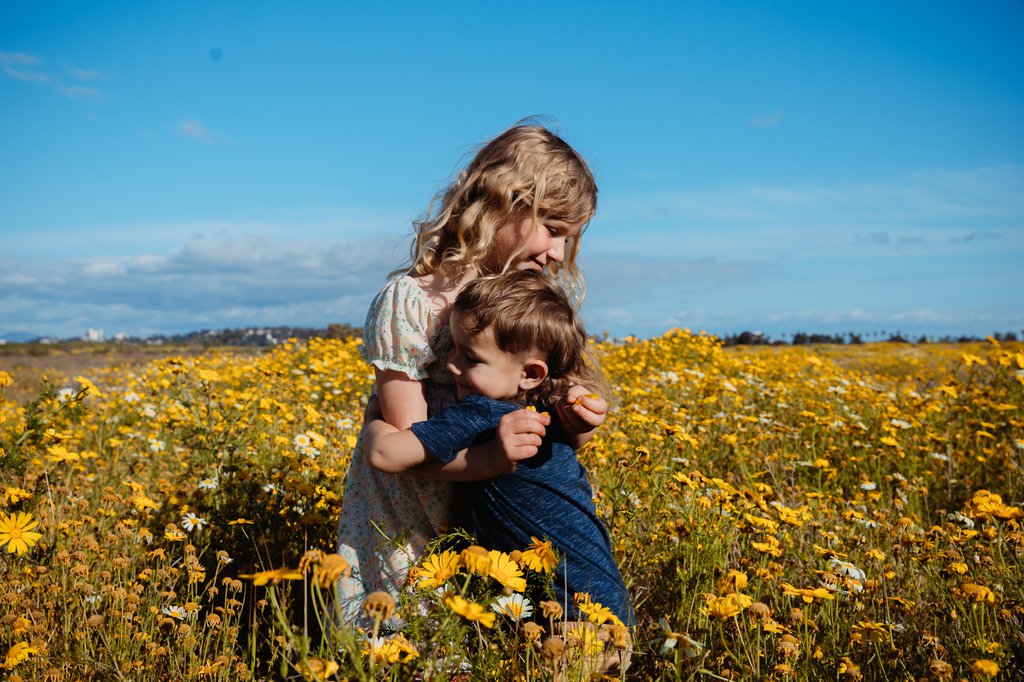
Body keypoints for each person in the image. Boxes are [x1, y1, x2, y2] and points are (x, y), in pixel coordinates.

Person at [336, 121, 607, 621]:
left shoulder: (525, 306)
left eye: (567, 239)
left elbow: (545, 430)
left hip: (492, 521)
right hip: (411, 524)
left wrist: (577, 425)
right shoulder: (411, 301)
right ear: (504, 202)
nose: (556, 253)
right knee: (406, 646)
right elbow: (407, 445)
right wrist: (490, 460)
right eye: (551, 230)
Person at [363, 269, 634, 629]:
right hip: (607, 612)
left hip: (562, 621)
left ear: (531, 374)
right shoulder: (546, 410)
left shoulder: (482, 411)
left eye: (471, 358)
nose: (452, 364)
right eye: (453, 347)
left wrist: (373, 420)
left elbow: (384, 455)